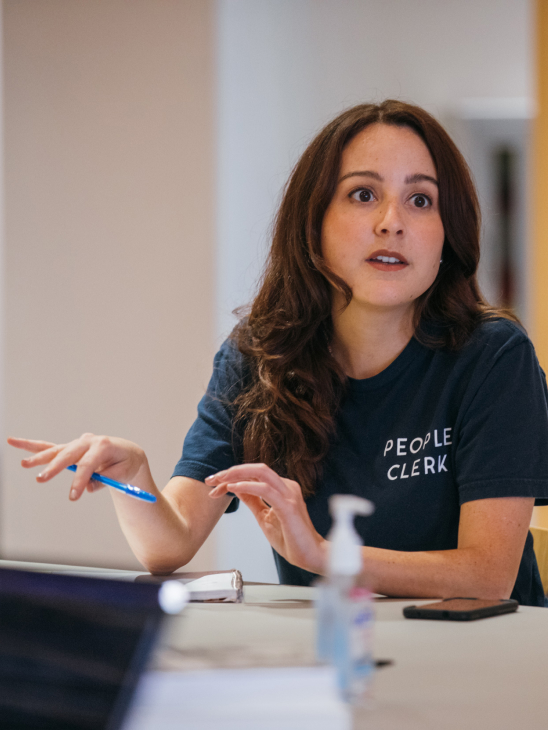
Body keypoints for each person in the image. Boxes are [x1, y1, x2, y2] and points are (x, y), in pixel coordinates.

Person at [9, 100, 548, 606]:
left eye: (421, 199)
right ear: (313, 224)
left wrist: (323, 555)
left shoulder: (493, 357)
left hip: (485, 657)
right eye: (363, 194)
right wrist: (133, 478)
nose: (392, 221)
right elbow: (167, 546)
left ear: (447, 235)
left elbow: (488, 576)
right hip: (334, 655)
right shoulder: (260, 356)